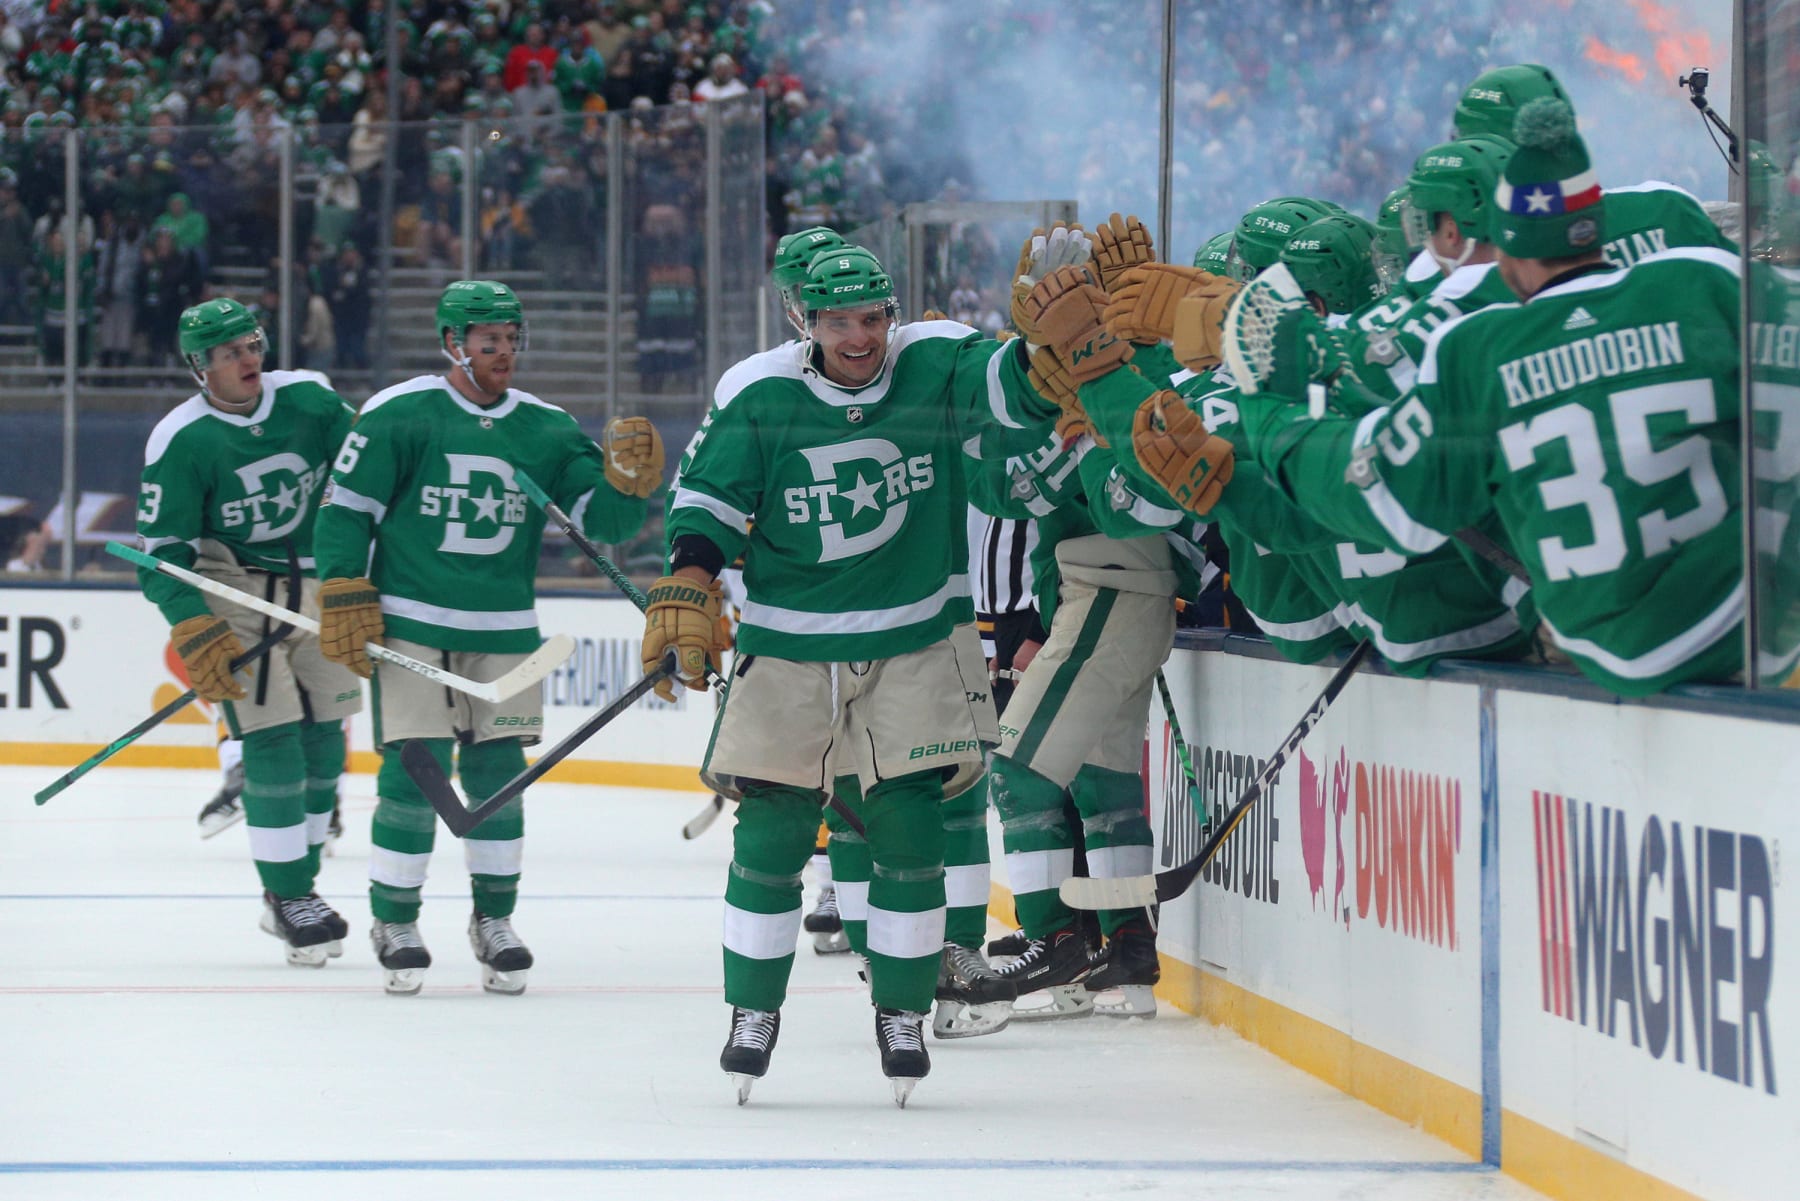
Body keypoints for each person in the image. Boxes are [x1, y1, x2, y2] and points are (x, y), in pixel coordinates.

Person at [645, 246, 1058, 1105]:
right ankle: (752, 1012)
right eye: (840, 322)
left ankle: (902, 1010)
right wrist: (691, 572)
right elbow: (709, 499)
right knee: (771, 831)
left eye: (873, 317)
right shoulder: (761, 392)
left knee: (910, 826)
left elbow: (1014, 389)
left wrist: (1040, 341)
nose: (861, 336)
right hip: (792, 639)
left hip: (916, 634)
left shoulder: (936, 359)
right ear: (805, 320)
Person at [1231, 99, 1753, 698]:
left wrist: (1271, 417)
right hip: (1748, 635)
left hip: (1591, 660)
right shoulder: (1706, 280)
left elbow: (1381, 491)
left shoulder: (1478, 348)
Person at [311, 280, 663, 995]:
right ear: (452, 343)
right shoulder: (399, 414)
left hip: (503, 628)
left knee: (499, 775)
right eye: (488, 340)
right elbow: (345, 510)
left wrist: (630, 489)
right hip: (410, 624)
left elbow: (606, 523)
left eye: (511, 337)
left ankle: (493, 919)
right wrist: (344, 585)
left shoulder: (546, 427)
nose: (504, 351)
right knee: (416, 770)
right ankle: (395, 919)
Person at [134, 298, 361, 966]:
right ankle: (288, 894)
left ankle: (298, 888)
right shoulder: (180, 439)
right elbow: (162, 556)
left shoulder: (313, 404)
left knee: (326, 742)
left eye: (252, 343)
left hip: (320, 587)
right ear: (199, 366)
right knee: (273, 740)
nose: (248, 359)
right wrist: (194, 625)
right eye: (229, 352)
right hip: (234, 588)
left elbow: (370, 479)